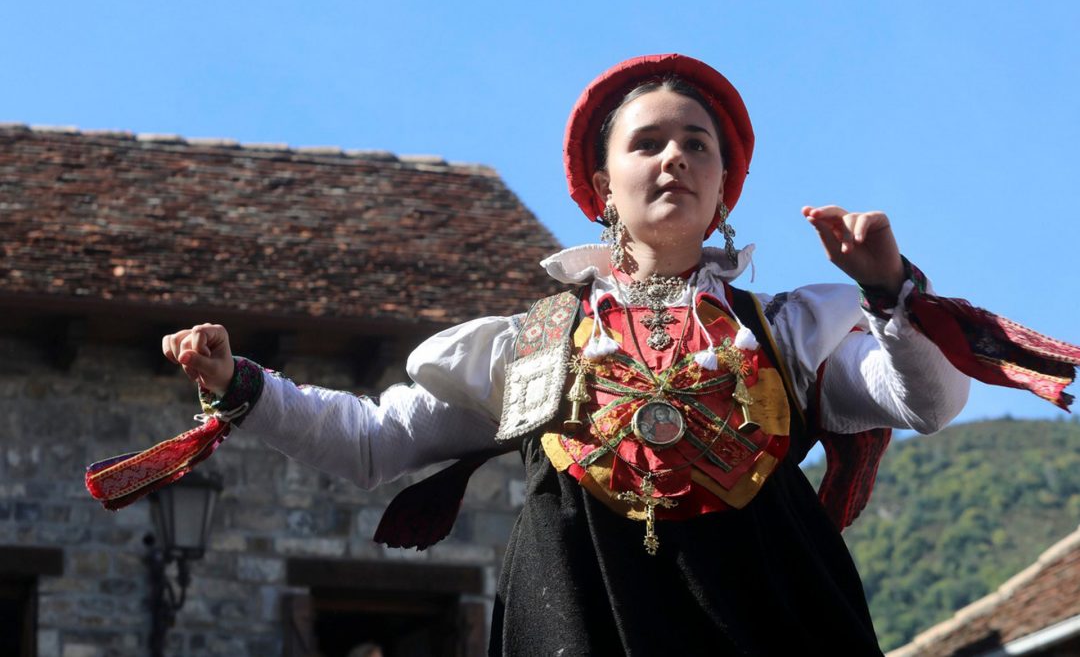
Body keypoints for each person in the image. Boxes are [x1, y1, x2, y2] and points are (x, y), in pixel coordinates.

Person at [143, 54, 1077, 655]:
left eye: (696, 145)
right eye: (650, 142)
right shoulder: (534, 343)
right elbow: (375, 442)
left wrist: (887, 292)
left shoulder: (787, 329)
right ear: (603, 183)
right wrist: (241, 387)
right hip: (587, 616)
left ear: (723, 190)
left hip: (769, 618)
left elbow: (927, 402)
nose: (674, 157)